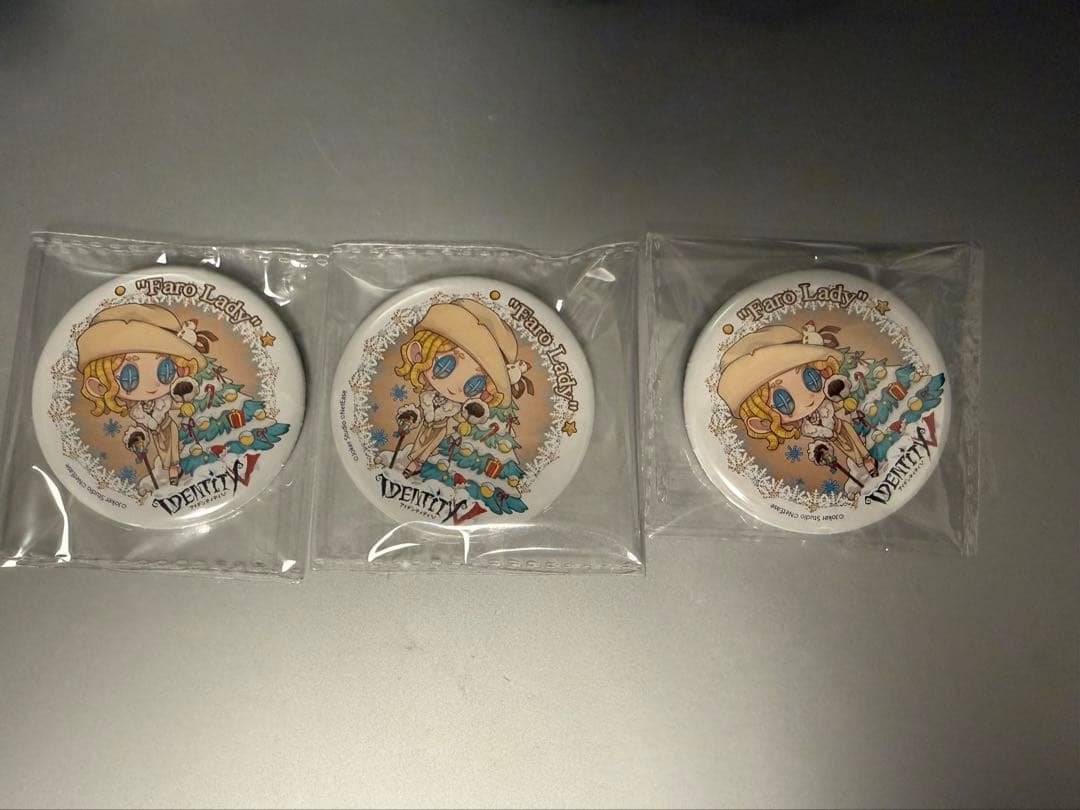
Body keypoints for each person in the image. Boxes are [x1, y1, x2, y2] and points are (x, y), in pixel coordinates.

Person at [716, 324, 877, 493]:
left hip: (842, 424)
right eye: (784, 402)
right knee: (848, 449)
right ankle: (863, 465)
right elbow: (817, 437)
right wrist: (821, 450)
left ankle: (868, 459)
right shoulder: (807, 426)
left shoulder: (828, 405)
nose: (807, 400)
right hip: (832, 436)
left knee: (852, 435)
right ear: (763, 421)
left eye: (811, 379)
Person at [77, 303, 205, 487]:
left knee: (172, 444)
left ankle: (174, 467)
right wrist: (137, 437)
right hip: (152, 430)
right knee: (161, 449)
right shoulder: (135, 408)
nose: (152, 386)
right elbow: (141, 425)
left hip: (168, 425)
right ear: (101, 386)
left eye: (165, 370)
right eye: (130, 377)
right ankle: (169, 469)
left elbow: (178, 401)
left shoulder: (165, 399)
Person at [393, 299, 519, 478]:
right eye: (444, 366)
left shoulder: (455, 407)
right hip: (427, 424)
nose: (453, 388)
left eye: (473, 384)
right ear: (418, 354)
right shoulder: (428, 395)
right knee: (419, 443)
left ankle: (416, 464)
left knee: (427, 447)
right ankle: (413, 461)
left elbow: (462, 418)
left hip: (441, 428)